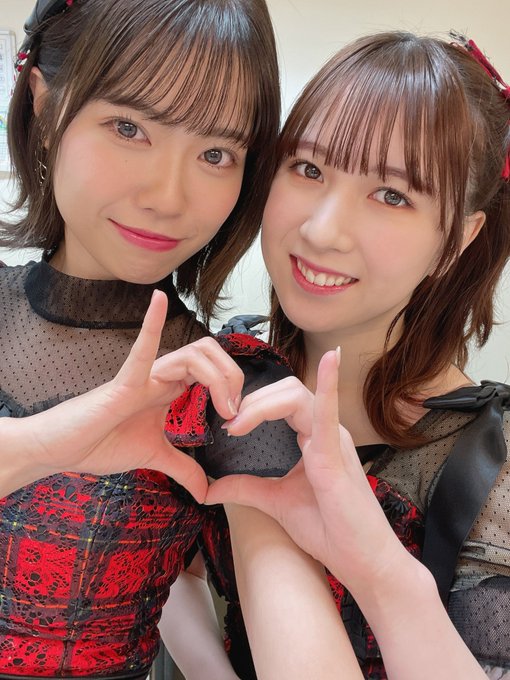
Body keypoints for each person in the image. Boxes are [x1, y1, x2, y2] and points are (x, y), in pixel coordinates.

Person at [0, 1, 348, 678]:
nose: (168, 196)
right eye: (129, 127)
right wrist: (41, 444)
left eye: (216, 153)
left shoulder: (224, 387)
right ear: (44, 106)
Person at [203, 31, 510, 679]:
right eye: (309, 169)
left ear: (456, 241)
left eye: (393, 195)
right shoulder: (230, 364)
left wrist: (379, 569)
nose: (322, 231)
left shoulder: (495, 469)